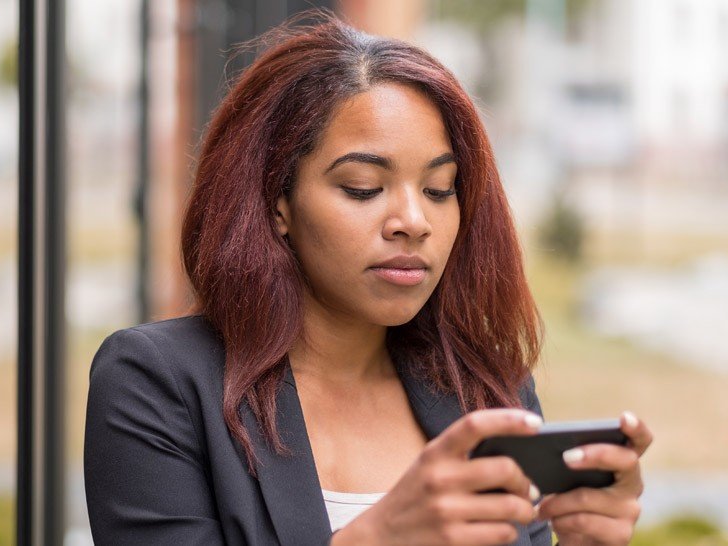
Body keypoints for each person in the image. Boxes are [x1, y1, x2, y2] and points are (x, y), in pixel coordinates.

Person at [84, 13, 651, 546]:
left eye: (439, 190)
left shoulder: (483, 387)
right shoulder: (158, 383)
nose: (413, 222)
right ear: (277, 201)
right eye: (362, 187)